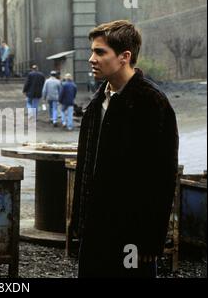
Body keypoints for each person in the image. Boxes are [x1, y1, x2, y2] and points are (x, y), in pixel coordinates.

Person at [71, 20, 179, 278]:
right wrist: (80, 222)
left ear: (124, 57)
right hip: (96, 232)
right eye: (92, 51)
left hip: (131, 237)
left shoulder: (151, 103)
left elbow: (162, 176)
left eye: (100, 52)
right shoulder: (97, 104)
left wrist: (151, 238)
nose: (91, 59)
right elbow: (87, 166)